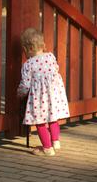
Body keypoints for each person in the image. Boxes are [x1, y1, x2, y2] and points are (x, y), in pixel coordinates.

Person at [17, 28, 70, 156]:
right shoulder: (50, 57)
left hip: (39, 99)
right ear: (43, 45)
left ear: (27, 49)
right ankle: (55, 141)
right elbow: (56, 70)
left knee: (40, 121)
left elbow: (26, 83)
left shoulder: (28, 64)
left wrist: (20, 93)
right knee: (52, 119)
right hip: (53, 96)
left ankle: (47, 148)